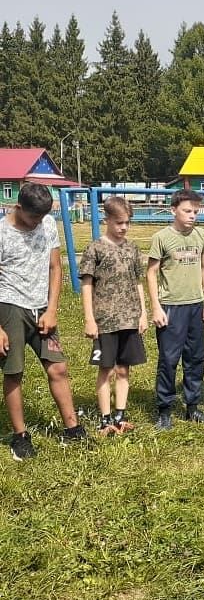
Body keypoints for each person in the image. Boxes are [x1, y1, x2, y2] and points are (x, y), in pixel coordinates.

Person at [0, 183, 86, 460]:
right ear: (18, 208)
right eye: (32, 217)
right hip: (10, 305)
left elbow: (55, 266)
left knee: (58, 367)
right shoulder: (2, 233)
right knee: (14, 372)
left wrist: (52, 309)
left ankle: (73, 429)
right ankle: (20, 436)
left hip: (41, 309)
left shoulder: (48, 224)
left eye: (41, 217)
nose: (37, 223)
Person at [79, 196, 147, 435]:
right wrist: (89, 318)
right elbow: (87, 285)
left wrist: (143, 313)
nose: (124, 227)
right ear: (106, 219)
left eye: (127, 222)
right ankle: (105, 418)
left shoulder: (132, 248)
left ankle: (120, 415)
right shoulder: (95, 248)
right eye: (119, 222)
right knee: (106, 370)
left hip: (129, 318)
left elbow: (138, 282)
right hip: (105, 321)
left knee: (123, 369)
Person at [147, 189, 204, 430]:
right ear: (174, 209)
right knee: (168, 359)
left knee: (196, 358)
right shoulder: (162, 238)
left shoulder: (202, 236)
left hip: (195, 305)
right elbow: (151, 273)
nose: (192, 215)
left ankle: (192, 407)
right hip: (171, 307)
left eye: (196, 211)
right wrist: (156, 307)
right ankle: (164, 409)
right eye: (187, 211)